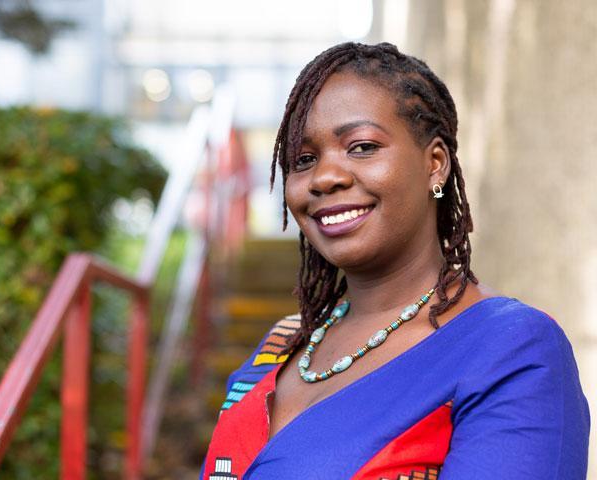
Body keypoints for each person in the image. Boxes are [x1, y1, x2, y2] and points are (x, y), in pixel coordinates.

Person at [200, 42, 590, 479]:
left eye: (362, 146)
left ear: (435, 164)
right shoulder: (279, 347)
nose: (326, 177)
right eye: (304, 160)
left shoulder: (510, 350)